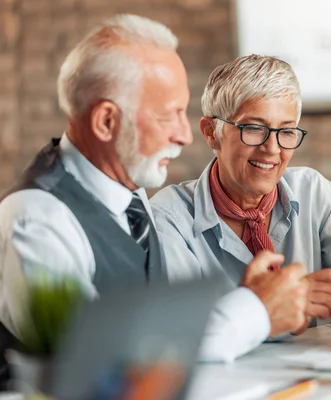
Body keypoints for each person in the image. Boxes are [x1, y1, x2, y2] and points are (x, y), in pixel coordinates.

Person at [0, 15, 310, 370]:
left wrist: (248, 296)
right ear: (106, 122)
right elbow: (96, 362)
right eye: (169, 116)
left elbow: (149, 324)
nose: (185, 135)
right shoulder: (35, 218)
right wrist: (256, 310)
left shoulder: (129, 198)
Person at [150, 55, 331, 361]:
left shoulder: (313, 191)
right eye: (254, 129)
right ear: (211, 132)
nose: (272, 149)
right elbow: (174, 338)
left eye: (286, 132)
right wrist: (272, 305)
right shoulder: (168, 219)